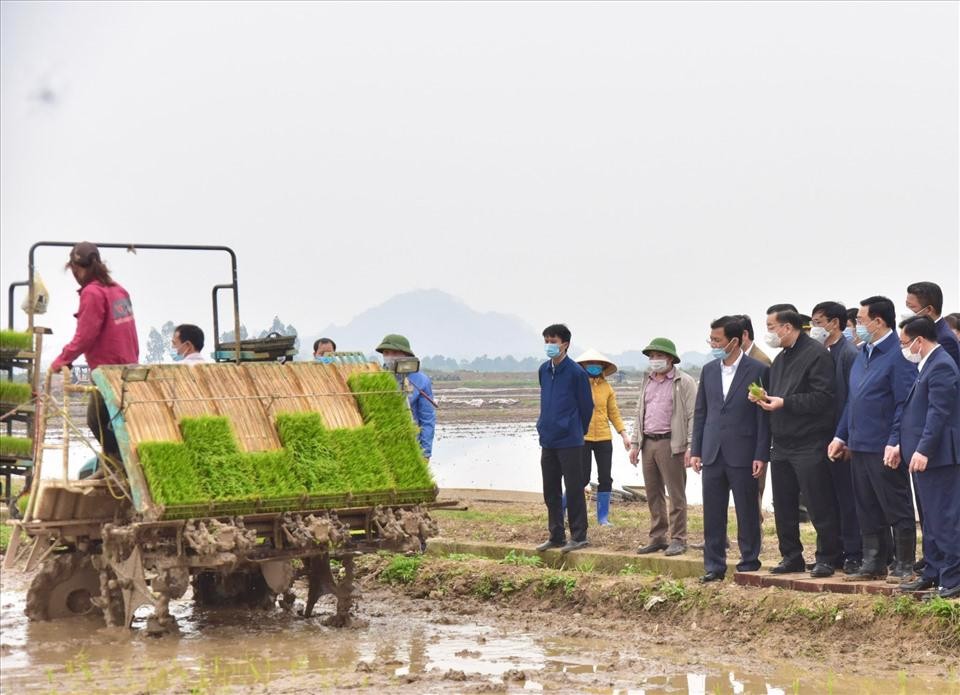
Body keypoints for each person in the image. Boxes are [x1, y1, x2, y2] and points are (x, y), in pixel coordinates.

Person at [827, 296, 917, 582]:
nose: (857, 326)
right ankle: (873, 561)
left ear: (879, 321)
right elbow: (852, 401)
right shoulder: (862, 353)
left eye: (862, 321)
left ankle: (904, 563)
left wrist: (895, 441)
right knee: (866, 505)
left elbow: (904, 403)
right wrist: (840, 436)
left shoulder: (898, 354)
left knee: (896, 504)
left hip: (884, 445)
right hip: (859, 445)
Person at [752, 306, 841, 578]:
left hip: (809, 441)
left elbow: (823, 398)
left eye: (771, 326)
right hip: (782, 442)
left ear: (787, 327)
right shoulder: (780, 360)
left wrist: (784, 403)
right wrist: (765, 398)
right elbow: (779, 396)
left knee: (818, 503)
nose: (769, 332)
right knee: (784, 503)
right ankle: (791, 556)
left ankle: (827, 557)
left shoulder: (816, 354)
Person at [690, 316, 770, 582]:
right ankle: (714, 565)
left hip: (744, 452)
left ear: (735, 341)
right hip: (712, 451)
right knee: (713, 511)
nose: (713, 344)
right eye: (711, 339)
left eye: (717, 340)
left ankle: (749, 560)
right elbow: (701, 412)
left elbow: (762, 416)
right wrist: (696, 450)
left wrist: (761, 454)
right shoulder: (709, 370)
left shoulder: (757, 369)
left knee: (747, 509)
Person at [50, 242, 139, 466]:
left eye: (75, 271)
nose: (75, 276)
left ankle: (119, 467)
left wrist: (61, 360)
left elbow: (85, 336)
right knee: (118, 422)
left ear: (80, 268)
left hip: (107, 372)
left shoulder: (92, 293)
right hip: (128, 368)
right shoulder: (119, 290)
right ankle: (119, 465)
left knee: (95, 419)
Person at [892, 316, 960, 599]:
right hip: (923, 458)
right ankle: (933, 572)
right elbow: (914, 411)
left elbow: (938, 414)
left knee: (945, 519)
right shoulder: (927, 364)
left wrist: (923, 449)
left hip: (938, 457)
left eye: (905, 342)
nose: (903, 348)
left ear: (919, 340)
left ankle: (953, 579)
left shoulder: (942, 364)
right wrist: (900, 445)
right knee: (930, 521)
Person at [629, 337, 697, 557]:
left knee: (676, 494)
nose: (654, 360)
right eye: (651, 356)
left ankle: (678, 538)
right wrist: (635, 443)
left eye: (658, 356)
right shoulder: (647, 380)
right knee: (653, 493)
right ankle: (657, 536)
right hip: (648, 442)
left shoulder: (683, 382)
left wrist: (690, 446)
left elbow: (692, 415)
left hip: (671, 443)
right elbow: (640, 411)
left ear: (670, 358)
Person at [810, 301, 862, 573]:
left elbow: (853, 400)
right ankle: (832, 552)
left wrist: (847, 438)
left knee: (847, 498)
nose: (814, 328)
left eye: (818, 322)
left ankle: (853, 552)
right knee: (825, 499)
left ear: (834, 323)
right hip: (820, 437)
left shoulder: (849, 353)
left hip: (842, 438)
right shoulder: (817, 352)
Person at [535, 324, 594, 554]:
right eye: (547, 341)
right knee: (550, 489)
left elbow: (586, 406)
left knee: (574, 488)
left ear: (565, 344)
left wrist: (577, 429)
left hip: (570, 440)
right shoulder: (543, 370)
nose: (549, 345)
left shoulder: (576, 373)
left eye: (553, 341)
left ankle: (579, 535)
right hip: (548, 439)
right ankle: (556, 535)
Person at [575, 349, 630, 526]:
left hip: (604, 438)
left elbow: (613, 413)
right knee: (580, 477)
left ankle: (603, 517)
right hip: (583, 437)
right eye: (590, 364)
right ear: (582, 366)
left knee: (605, 478)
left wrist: (624, 434)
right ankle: (567, 510)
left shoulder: (607, 388)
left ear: (603, 367)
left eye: (597, 364)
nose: (594, 367)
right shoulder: (578, 385)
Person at [375, 334, 435, 461]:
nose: (390, 356)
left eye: (395, 352)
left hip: (411, 439)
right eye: (386, 353)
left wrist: (425, 452)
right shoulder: (376, 376)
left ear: (406, 355)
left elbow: (427, 418)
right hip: (382, 439)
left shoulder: (421, 380)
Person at [903, 282, 960, 368]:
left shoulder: (945, 339)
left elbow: (945, 375)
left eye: (912, 307)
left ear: (929, 309)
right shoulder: (921, 331)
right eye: (907, 306)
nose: (908, 312)